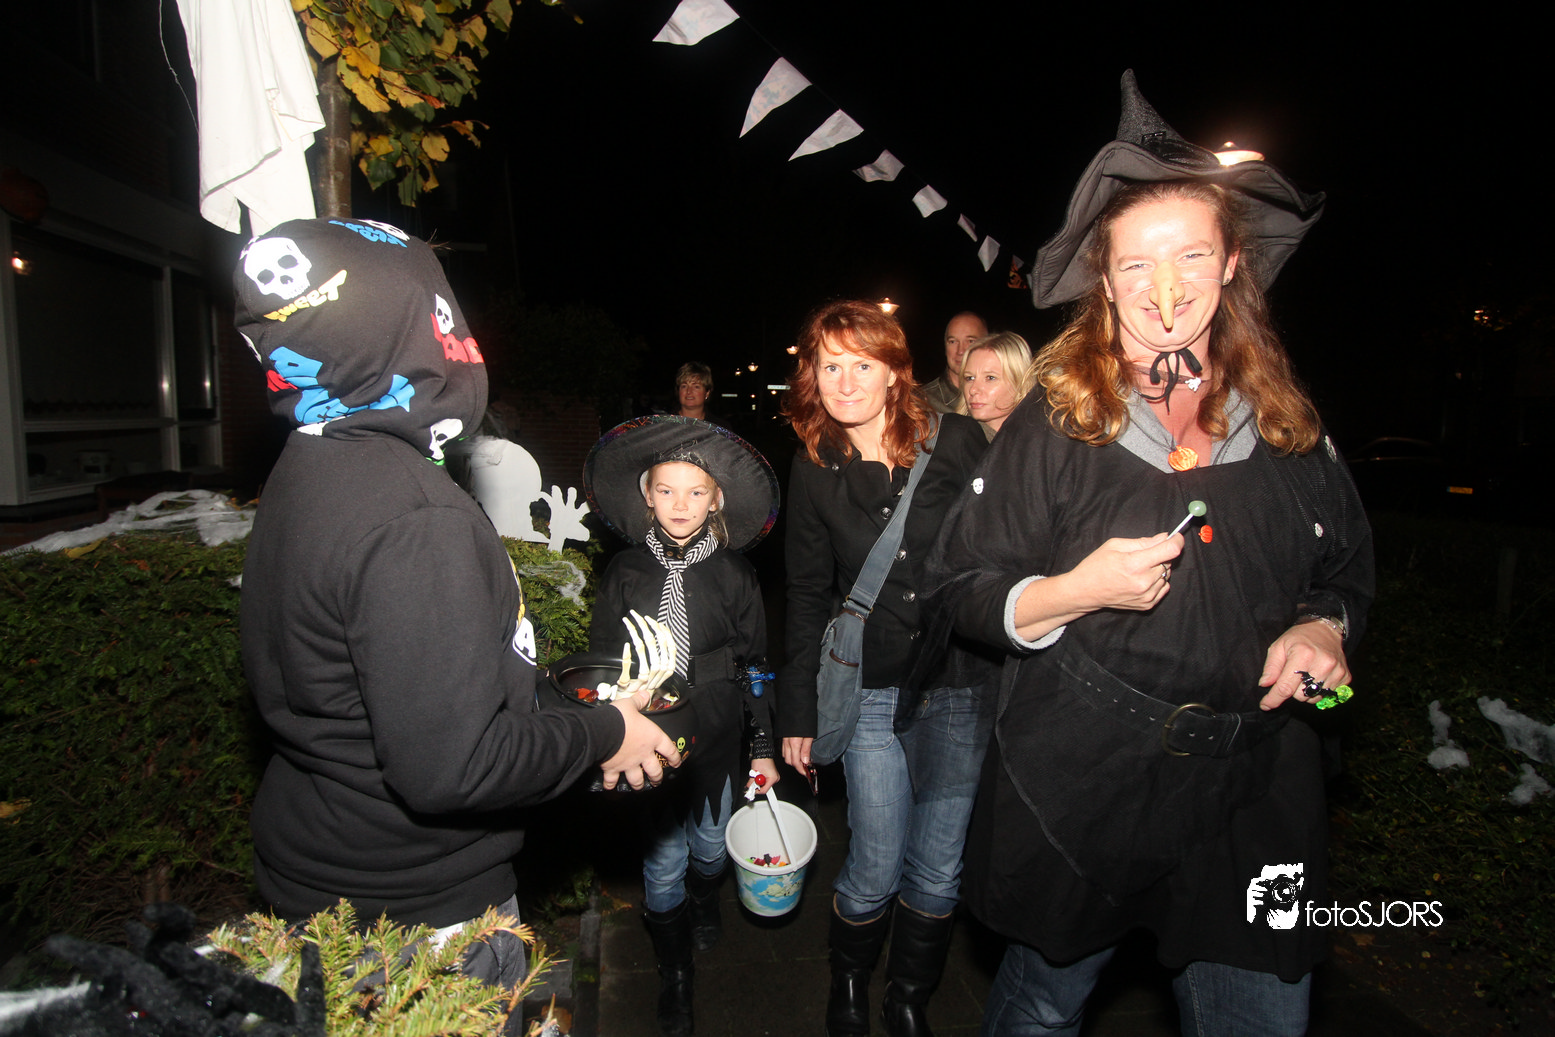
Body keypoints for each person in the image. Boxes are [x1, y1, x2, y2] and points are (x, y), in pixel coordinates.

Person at [924, 72, 1372, 1036]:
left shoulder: (1286, 422)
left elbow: (1343, 572)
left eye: (1190, 255)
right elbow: (959, 585)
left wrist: (1323, 627)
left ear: (1231, 263)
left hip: (1257, 790)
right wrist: (1072, 589)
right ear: (1105, 278)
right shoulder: (1054, 421)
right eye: (1135, 264)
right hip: (1086, 774)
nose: (1164, 291)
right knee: (1041, 1005)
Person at [236, 218, 680, 990]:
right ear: (408, 324)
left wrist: (560, 709)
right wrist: (604, 732)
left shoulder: (312, 460)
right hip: (415, 923)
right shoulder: (414, 517)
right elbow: (454, 766)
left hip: (321, 880)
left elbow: (396, 689)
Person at [777, 300, 991, 1037]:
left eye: (861, 364)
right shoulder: (813, 466)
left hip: (958, 681)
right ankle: (849, 984)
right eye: (828, 366)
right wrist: (797, 714)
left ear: (895, 372)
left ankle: (907, 1000)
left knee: (937, 867)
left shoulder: (956, 440)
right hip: (866, 686)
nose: (844, 382)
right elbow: (806, 594)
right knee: (874, 863)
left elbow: (1003, 547)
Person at [583, 415, 782, 1037]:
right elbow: (600, 661)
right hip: (651, 737)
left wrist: (763, 747)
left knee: (710, 847)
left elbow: (755, 666)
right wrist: (611, 715)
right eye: (666, 490)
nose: (680, 504)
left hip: (719, 736)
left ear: (716, 500)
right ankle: (675, 975)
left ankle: (704, 899)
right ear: (646, 495)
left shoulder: (736, 573)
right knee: (663, 860)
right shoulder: (624, 571)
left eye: (696, 492)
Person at [953, 331, 1035, 440]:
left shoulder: (1042, 441)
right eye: (969, 378)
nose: (973, 389)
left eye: (990, 378)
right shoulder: (952, 441)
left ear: (1020, 381)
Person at [920, 311, 987, 413]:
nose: (960, 351)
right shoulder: (923, 403)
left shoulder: (1002, 397)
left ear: (988, 345)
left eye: (970, 341)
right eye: (953, 341)